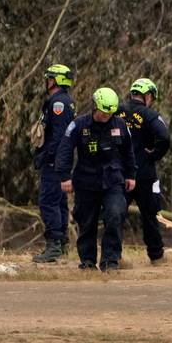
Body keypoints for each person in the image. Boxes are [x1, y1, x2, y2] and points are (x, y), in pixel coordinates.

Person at [55, 88, 136, 272]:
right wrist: (64, 176)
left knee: (115, 215)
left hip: (113, 180)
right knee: (86, 221)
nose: (107, 116)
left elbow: (128, 152)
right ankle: (88, 261)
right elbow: (65, 150)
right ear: (95, 107)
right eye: (104, 112)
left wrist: (131, 175)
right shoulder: (79, 125)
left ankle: (110, 261)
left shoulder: (120, 125)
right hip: (86, 180)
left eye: (110, 113)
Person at [118, 78, 172, 264]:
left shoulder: (118, 111)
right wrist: (155, 154)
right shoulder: (150, 115)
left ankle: (113, 256)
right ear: (148, 96)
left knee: (116, 214)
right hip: (144, 173)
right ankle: (156, 256)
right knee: (150, 215)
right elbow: (164, 137)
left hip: (120, 173)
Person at [32, 64, 75, 263]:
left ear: (55, 80)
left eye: (49, 78)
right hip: (58, 161)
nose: (46, 81)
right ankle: (63, 244)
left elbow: (59, 136)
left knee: (48, 202)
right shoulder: (61, 100)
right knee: (59, 203)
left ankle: (54, 246)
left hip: (55, 163)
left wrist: (48, 157)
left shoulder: (59, 103)